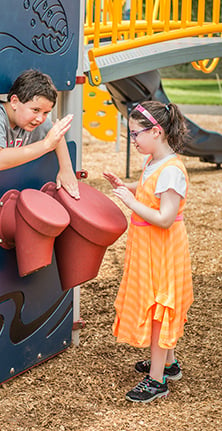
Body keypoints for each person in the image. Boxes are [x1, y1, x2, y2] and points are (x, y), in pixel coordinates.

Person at [0, 69, 80, 395]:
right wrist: (46, 143)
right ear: (14, 101)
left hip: (2, 219)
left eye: (45, 112)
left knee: (5, 281)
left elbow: (54, 137)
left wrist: (66, 168)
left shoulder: (31, 117)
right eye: (35, 110)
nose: (40, 117)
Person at [103, 100, 194, 403]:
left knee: (159, 310)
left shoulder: (171, 170)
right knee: (158, 305)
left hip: (162, 250)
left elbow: (165, 218)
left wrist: (131, 204)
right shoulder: (155, 161)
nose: (133, 140)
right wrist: (128, 187)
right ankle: (168, 364)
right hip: (150, 248)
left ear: (155, 132)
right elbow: (149, 190)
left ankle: (157, 381)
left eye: (135, 134)